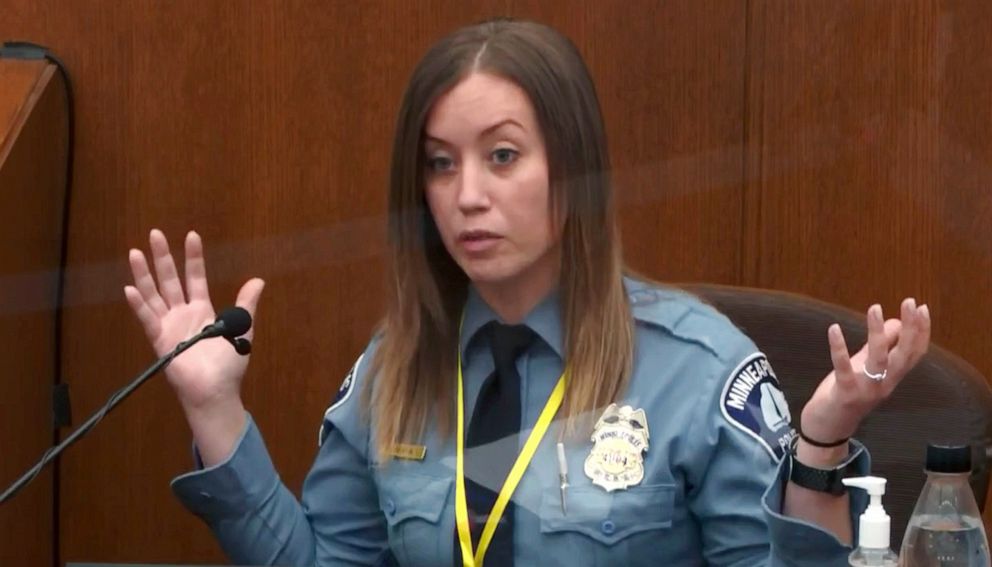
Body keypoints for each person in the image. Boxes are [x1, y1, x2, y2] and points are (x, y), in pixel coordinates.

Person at [124, 18, 931, 567]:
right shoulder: (392, 371)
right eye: (440, 163)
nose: (466, 193)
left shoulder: (699, 371)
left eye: (502, 156)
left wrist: (820, 442)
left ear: (572, 170)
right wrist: (215, 412)